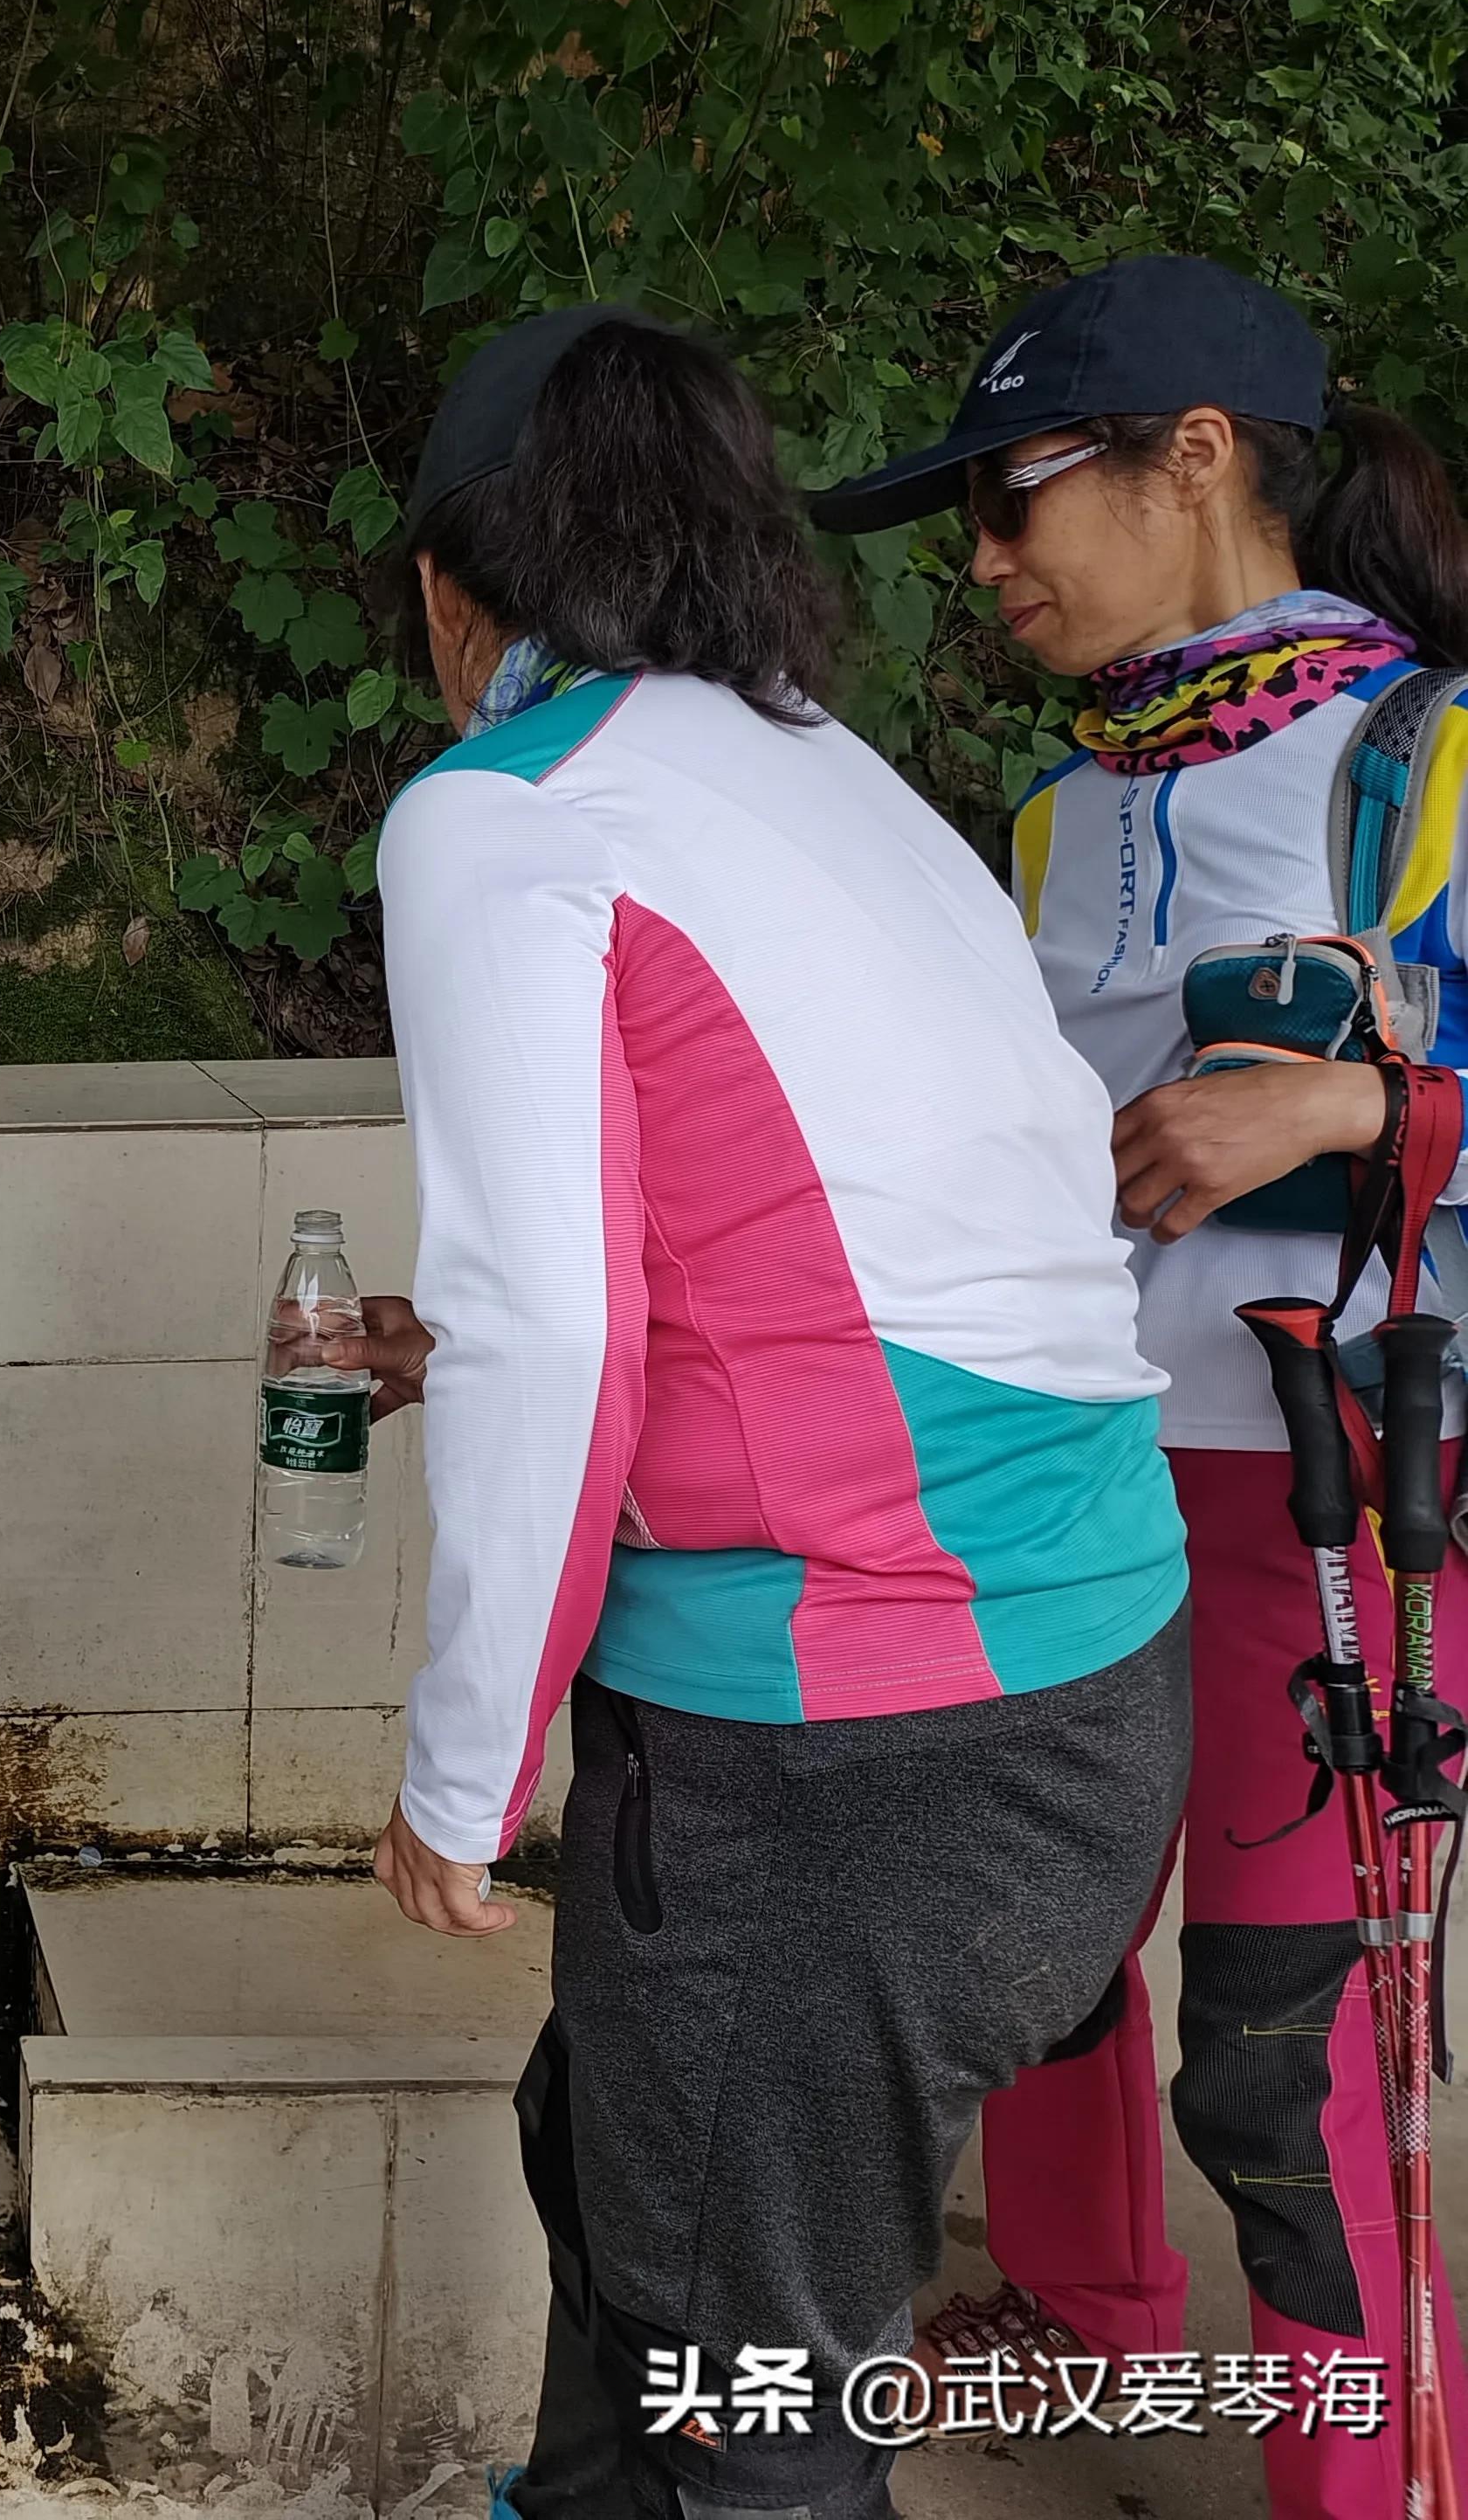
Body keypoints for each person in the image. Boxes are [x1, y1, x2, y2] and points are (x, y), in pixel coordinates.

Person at [354, 305, 1193, 2520]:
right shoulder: (825, 769)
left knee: (746, 2408)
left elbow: (549, 1325)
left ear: (449, 592)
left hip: (845, 1745)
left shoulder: (501, 815)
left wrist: (458, 1774)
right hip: (1074, 1695)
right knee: (622, 2191)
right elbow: (846, 1243)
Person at [815, 254, 1468, 2515]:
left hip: (1328, 1491)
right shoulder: (1058, 808)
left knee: (1281, 2057)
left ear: (1194, 458)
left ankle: (1364, 2491)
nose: (983, 558)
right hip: (1066, 1477)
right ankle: (1075, 2318)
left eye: (1009, 496)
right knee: (1034, 1945)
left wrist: (1358, 1108)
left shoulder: (1429, 756)